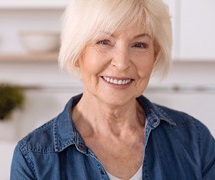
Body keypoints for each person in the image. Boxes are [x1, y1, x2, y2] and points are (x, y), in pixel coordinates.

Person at [11, 0, 215, 179]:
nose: (122, 63)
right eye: (104, 42)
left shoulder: (194, 139)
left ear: (155, 55)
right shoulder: (33, 157)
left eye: (139, 45)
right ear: (76, 53)